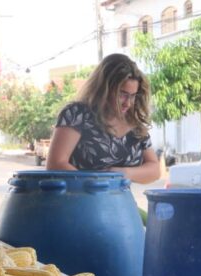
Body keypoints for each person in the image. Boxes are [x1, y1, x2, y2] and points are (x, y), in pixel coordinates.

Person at [46, 54, 160, 184]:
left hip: (120, 203)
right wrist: (97, 185)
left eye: (132, 96)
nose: (128, 103)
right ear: (104, 89)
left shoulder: (134, 123)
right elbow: (56, 164)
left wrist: (124, 173)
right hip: (78, 201)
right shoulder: (77, 114)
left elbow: (154, 169)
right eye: (122, 95)